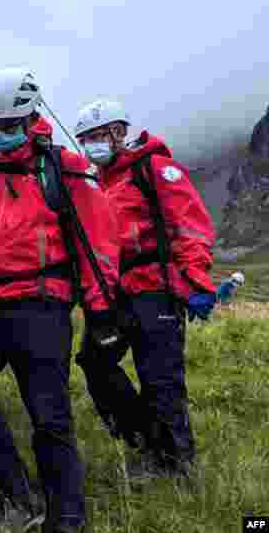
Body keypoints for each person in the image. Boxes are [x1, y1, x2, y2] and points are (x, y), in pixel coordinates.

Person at [0, 68, 120, 533]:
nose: (0, 135)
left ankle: (66, 517)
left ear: (32, 116)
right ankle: (12, 496)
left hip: (42, 300)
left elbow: (96, 243)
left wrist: (101, 313)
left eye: (10, 126)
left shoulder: (64, 168)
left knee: (49, 414)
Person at [73, 98, 216, 481]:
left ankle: (178, 466)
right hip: (116, 294)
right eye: (84, 139)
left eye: (97, 136)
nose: (91, 146)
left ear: (119, 132)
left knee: (161, 378)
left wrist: (196, 281)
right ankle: (145, 441)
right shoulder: (96, 183)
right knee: (94, 362)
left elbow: (190, 227)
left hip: (156, 288)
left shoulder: (155, 169)